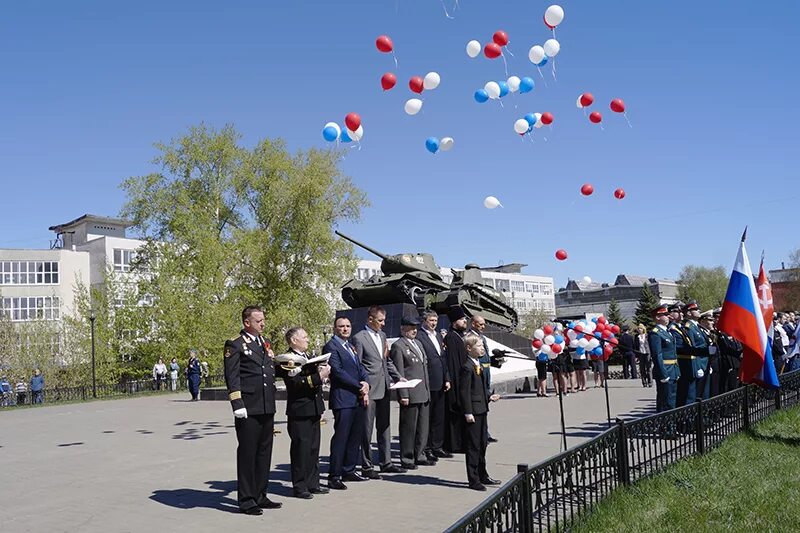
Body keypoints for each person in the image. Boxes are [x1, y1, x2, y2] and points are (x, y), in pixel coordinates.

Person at [223, 306, 281, 515]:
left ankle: (260, 494)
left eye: (263, 320)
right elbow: (232, 376)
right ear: (247, 322)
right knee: (248, 454)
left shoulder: (264, 343)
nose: (263, 323)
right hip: (248, 407)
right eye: (258, 321)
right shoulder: (235, 344)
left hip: (266, 405)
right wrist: (237, 404)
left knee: (264, 453)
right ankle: (247, 499)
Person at [350, 305, 406, 478]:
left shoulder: (382, 336)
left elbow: (385, 360)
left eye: (384, 320)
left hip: (384, 388)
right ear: (370, 320)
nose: (383, 324)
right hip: (369, 389)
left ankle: (386, 462)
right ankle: (367, 465)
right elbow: (357, 365)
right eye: (380, 320)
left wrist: (398, 377)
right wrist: (362, 388)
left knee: (385, 427)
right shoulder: (359, 338)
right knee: (366, 429)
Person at [276, 327, 329, 499]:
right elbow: (295, 384)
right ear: (293, 340)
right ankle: (299, 486)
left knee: (313, 449)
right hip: (299, 410)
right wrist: (318, 377)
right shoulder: (288, 359)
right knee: (301, 449)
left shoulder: (306, 357)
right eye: (304, 337)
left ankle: (313, 483)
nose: (308, 339)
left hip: (313, 407)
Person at [324, 317, 370, 490]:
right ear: (335, 328)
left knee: (355, 436)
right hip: (343, 399)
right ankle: (334, 475)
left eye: (348, 326)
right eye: (341, 326)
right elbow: (337, 372)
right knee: (341, 438)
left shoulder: (350, 346)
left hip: (357, 398)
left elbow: (360, 368)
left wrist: (366, 382)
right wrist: (359, 386)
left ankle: (349, 470)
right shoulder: (331, 346)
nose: (345, 329)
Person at [459, 332, 501, 491]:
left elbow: (479, 389)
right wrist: (467, 412)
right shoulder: (467, 367)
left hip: (482, 409)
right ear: (469, 348)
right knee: (473, 446)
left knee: (483, 443)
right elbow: (464, 392)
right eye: (479, 345)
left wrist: (489, 396)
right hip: (473, 413)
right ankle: (473, 479)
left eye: (483, 345)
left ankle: (483, 474)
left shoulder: (478, 364)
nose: (482, 348)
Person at [391, 316, 432, 470]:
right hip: (410, 393)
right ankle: (407, 458)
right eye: (410, 327)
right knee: (409, 428)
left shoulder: (419, 344)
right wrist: (403, 394)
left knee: (423, 427)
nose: (414, 330)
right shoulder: (398, 346)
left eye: (415, 327)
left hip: (423, 392)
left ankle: (420, 455)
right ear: (402, 329)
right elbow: (400, 372)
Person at [417, 310, 451, 462]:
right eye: (431, 320)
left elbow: (443, 358)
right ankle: (428, 448)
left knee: (439, 416)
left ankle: (437, 446)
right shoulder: (419, 336)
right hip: (428, 381)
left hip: (441, 381)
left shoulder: (437, 335)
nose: (433, 323)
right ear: (424, 321)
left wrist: (447, 378)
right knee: (428, 418)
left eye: (435, 321)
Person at [443, 306, 470, 454]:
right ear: (454, 322)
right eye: (462, 319)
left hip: (463, 379)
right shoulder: (452, 337)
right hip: (456, 381)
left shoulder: (460, 336)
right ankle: (455, 444)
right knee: (455, 414)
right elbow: (453, 363)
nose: (465, 321)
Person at [469, 315, 498, 443]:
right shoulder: (470, 337)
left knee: (485, 404)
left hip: (486, 372)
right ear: (473, 324)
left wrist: (495, 360)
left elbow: (484, 355)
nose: (483, 327)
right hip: (477, 372)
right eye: (480, 324)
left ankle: (485, 432)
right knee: (479, 405)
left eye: (484, 324)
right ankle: (482, 434)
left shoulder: (482, 337)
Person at [649, 304, 680, 412]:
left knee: (672, 401)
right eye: (665, 314)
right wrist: (663, 373)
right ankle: (666, 428)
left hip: (673, 370)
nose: (668, 316)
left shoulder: (667, 332)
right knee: (665, 402)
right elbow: (657, 355)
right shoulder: (655, 333)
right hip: (666, 370)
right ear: (657, 317)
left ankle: (671, 427)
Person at [682, 300, 711, 401]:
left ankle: (705, 416)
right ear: (689, 313)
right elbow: (693, 349)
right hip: (699, 364)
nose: (699, 311)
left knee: (705, 394)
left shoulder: (697, 326)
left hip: (705, 363)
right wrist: (698, 366)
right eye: (695, 309)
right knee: (699, 394)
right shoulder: (689, 327)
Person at [715, 309, 743, 394]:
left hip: (736, 362)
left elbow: (738, 345)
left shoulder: (732, 333)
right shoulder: (722, 334)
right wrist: (739, 352)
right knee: (728, 386)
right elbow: (727, 348)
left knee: (736, 385)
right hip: (728, 364)